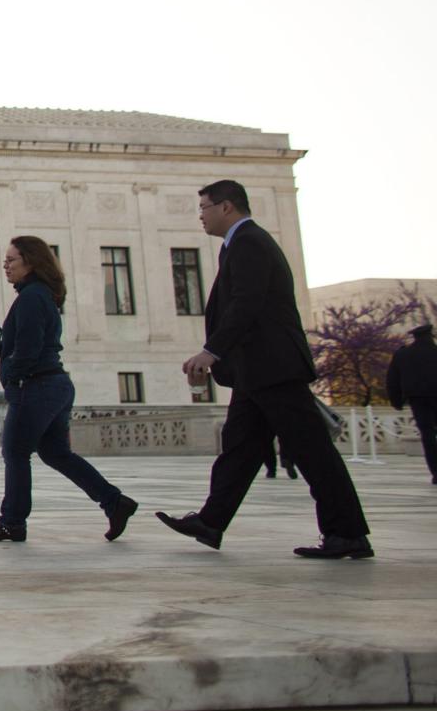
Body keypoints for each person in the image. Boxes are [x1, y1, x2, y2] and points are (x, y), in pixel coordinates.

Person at [158, 180, 373, 558]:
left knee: (312, 451)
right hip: (256, 369)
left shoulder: (249, 243)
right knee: (240, 449)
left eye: (204, 208)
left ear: (227, 207)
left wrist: (212, 351)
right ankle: (211, 521)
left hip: (272, 367)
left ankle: (348, 533)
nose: (201, 216)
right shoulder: (240, 244)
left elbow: (247, 303)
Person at [0, 237, 137, 542]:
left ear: (30, 262)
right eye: (5, 261)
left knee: (16, 452)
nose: (5, 267)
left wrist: (12, 379)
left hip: (37, 386)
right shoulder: (39, 295)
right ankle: (114, 502)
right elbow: (29, 344)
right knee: (56, 453)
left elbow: (30, 349)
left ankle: (13, 522)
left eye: (11, 261)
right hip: (53, 384)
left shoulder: (31, 297)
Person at [385, 321, 437, 484]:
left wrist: (396, 401)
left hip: (418, 400)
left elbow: (392, 380)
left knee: (428, 436)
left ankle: (436, 472)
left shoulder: (403, 354)